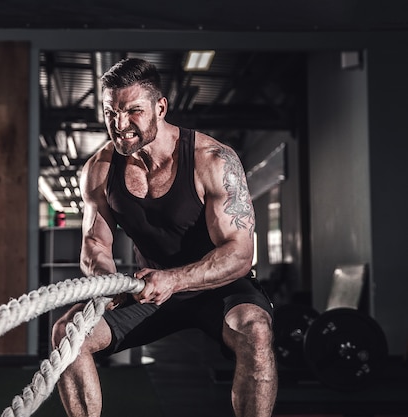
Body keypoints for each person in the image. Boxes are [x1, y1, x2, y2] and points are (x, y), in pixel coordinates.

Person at [51, 57, 277, 417]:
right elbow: (95, 244)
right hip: (151, 291)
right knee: (68, 333)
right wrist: (107, 282)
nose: (120, 125)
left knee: (255, 329)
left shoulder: (212, 159)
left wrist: (174, 278)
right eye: (111, 112)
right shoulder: (99, 169)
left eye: (133, 111)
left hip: (216, 286)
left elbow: (239, 253)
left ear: (160, 107)